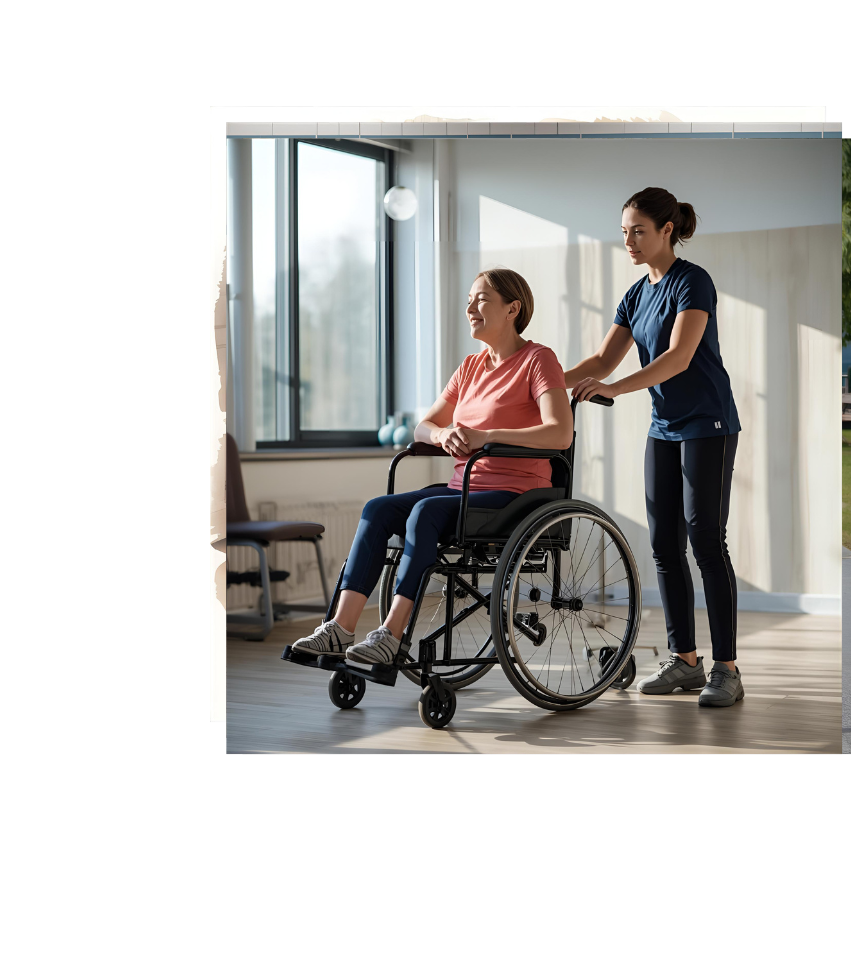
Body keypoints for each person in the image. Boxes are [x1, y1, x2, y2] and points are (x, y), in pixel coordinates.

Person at [292, 268, 572, 668]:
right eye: (469, 301)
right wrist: (444, 435)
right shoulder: (470, 367)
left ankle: (391, 635)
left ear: (513, 309)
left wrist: (485, 436)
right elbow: (423, 427)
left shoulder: (538, 360)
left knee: (425, 511)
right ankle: (341, 627)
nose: (470, 309)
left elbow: (560, 433)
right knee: (377, 509)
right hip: (464, 489)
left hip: (516, 495)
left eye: (481, 300)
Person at [565, 187, 744, 706]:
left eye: (638, 231)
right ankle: (685, 660)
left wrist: (617, 389)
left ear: (667, 230)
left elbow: (679, 357)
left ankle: (727, 669)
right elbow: (602, 361)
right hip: (664, 428)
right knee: (665, 545)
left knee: (705, 540)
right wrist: (542, 383)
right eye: (624, 232)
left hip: (708, 424)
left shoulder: (693, 282)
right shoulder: (636, 294)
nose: (629, 241)